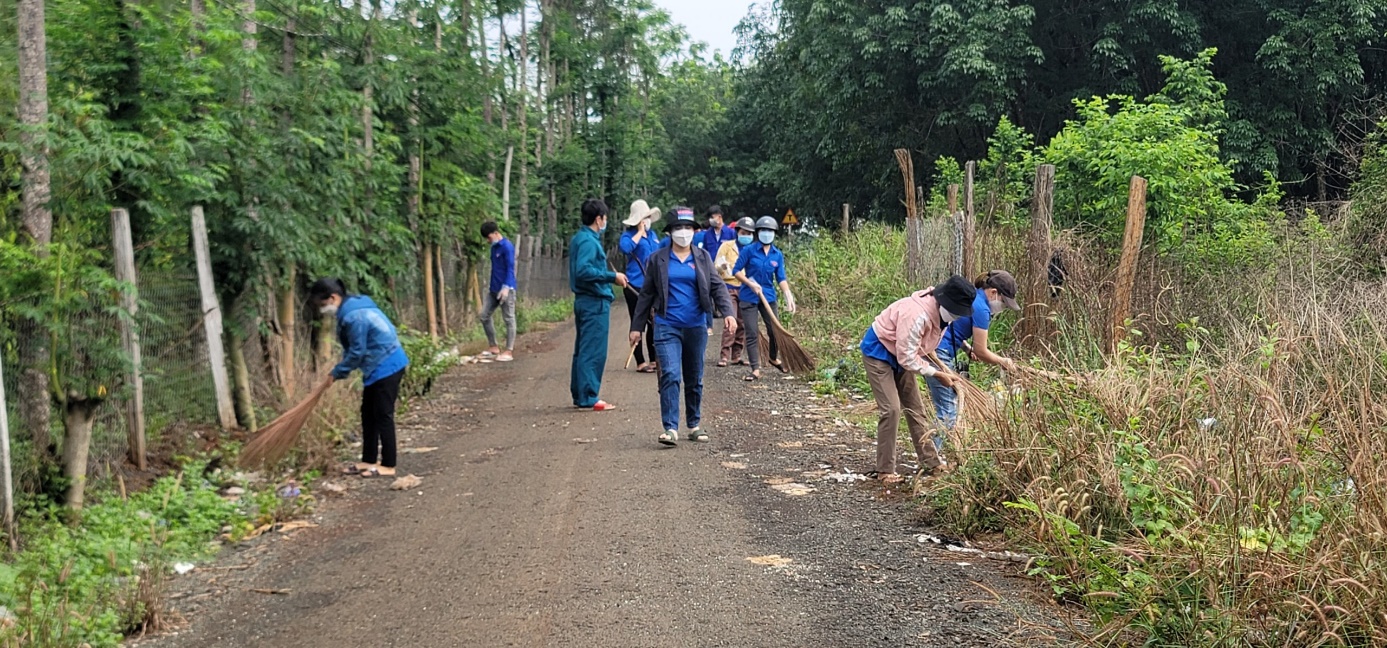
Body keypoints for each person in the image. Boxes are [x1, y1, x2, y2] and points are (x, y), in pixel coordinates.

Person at [630, 207, 737, 446]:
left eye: (688, 227)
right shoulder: (657, 259)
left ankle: (694, 424)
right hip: (666, 325)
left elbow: (717, 286)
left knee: (694, 376)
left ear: (694, 230)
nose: (683, 232)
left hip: (696, 326)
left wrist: (728, 313)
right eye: (678, 228)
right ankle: (670, 427)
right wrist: (637, 327)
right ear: (670, 232)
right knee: (669, 373)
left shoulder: (702, 257)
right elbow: (646, 294)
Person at [858, 276, 976, 483]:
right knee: (891, 409)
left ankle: (932, 463)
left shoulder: (943, 316)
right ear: (945, 302)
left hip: (903, 353)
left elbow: (924, 344)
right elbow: (906, 358)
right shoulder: (917, 315)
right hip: (879, 352)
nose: (957, 317)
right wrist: (938, 374)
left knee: (915, 409)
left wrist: (959, 352)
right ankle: (884, 470)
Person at [311, 278, 410, 478]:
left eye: (323, 305)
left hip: (388, 365)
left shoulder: (354, 316)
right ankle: (368, 460)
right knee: (368, 414)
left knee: (383, 415)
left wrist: (337, 372)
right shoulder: (353, 306)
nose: (323, 310)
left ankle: (389, 465)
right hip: (377, 367)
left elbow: (357, 352)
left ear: (333, 298)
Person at [928, 270, 1022, 451]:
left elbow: (954, 327)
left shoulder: (974, 298)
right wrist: (1004, 362)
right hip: (939, 353)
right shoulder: (982, 309)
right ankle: (931, 458)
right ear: (994, 293)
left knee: (947, 406)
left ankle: (933, 453)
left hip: (937, 348)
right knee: (947, 411)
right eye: (1004, 302)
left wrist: (966, 348)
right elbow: (983, 351)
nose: (1002, 307)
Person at [569, 199, 629, 411]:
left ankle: (581, 393)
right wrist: (612, 276)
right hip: (593, 301)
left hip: (587, 301)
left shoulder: (582, 238)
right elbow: (583, 271)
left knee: (584, 349)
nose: (606, 222)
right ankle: (588, 396)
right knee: (593, 350)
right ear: (598, 219)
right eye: (605, 218)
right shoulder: (588, 242)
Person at [733, 216, 797, 381]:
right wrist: (750, 283)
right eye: (763, 230)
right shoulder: (749, 251)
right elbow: (736, 271)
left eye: (769, 231)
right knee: (752, 332)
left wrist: (787, 294)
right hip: (748, 296)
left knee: (774, 330)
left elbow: (780, 277)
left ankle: (773, 357)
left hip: (768, 297)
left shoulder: (777, 255)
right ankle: (755, 369)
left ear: (774, 233)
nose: (766, 233)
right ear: (758, 233)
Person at [619, 200, 662, 373]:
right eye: (645, 217)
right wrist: (639, 232)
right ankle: (640, 361)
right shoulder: (628, 236)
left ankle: (654, 359)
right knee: (638, 321)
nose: (648, 220)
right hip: (635, 285)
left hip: (652, 284)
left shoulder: (653, 235)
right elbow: (626, 248)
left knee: (654, 321)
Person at [714, 217, 754, 367]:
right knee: (731, 321)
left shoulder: (752, 250)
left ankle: (737, 355)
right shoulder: (727, 246)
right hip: (729, 286)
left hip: (746, 288)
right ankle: (724, 354)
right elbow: (716, 264)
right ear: (737, 232)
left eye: (749, 233)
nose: (746, 236)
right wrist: (722, 267)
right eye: (744, 232)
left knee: (742, 322)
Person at [479, 221, 517, 362]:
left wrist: (506, 286)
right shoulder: (493, 248)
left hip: (507, 289)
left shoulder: (507, 247)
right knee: (484, 315)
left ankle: (509, 350)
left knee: (508, 318)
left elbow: (510, 268)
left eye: (489, 237)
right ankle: (493, 346)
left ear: (496, 233)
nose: (488, 241)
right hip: (494, 289)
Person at [699, 205, 736, 335]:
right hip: (711, 269)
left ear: (719, 217)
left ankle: (729, 319)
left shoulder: (730, 233)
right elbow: (704, 252)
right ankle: (709, 325)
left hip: (727, 271)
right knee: (707, 296)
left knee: (725, 295)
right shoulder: (707, 234)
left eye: (712, 217)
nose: (711, 220)